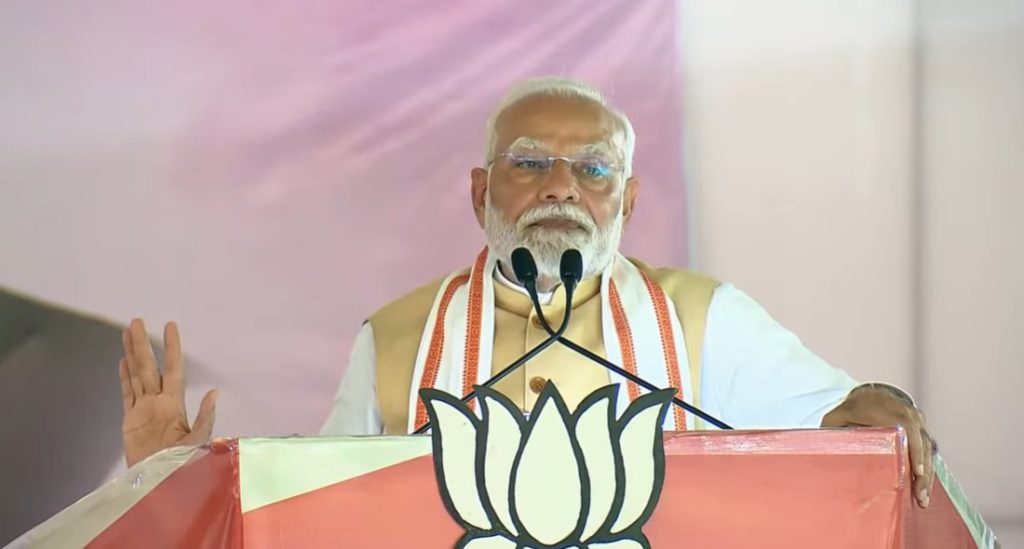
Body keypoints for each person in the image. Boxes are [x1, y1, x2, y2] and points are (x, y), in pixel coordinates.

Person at [116, 77, 936, 508]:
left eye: (594, 169)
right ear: (481, 192)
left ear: (628, 202)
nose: (561, 186)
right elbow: (314, 513)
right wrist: (175, 481)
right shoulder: (397, 339)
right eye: (531, 161)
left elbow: (845, 429)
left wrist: (884, 405)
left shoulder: (704, 320)